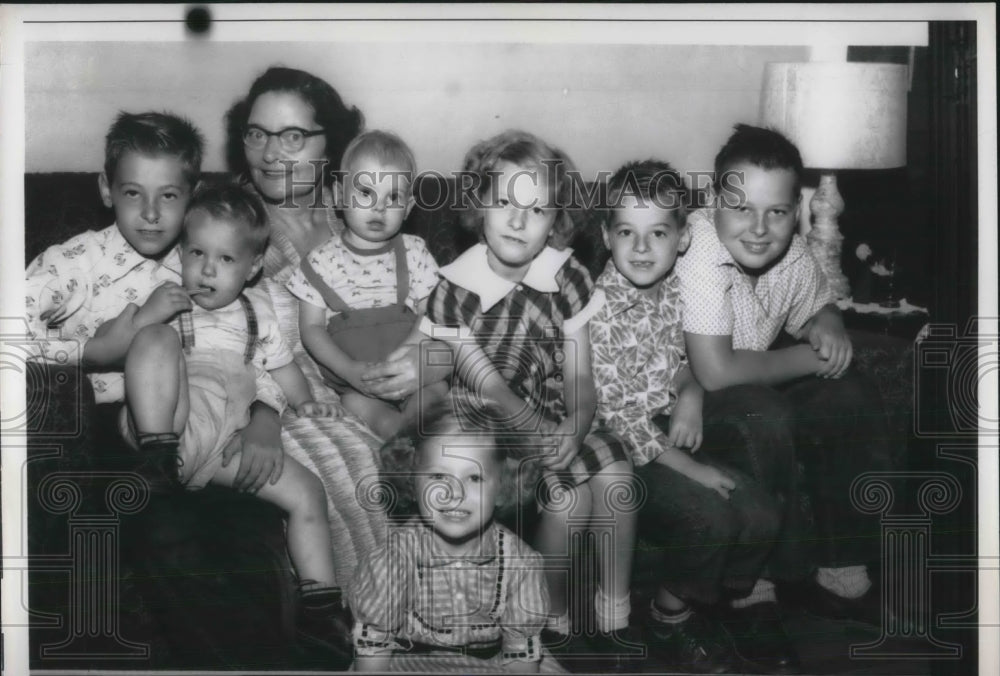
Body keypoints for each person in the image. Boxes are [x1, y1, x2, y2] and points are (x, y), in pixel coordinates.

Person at [418, 130, 638, 660]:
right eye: (505, 203)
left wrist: (576, 425)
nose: (518, 221)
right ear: (479, 205)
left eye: (537, 208)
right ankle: (551, 618)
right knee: (568, 496)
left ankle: (615, 614)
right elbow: (487, 387)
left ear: (555, 219)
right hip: (483, 425)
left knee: (617, 474)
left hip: (549, 410)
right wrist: (541, 433)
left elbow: (581, 376)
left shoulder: (568, 277)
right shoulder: (454, 288)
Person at [113, 183, 349, 656]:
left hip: (224, 442)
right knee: (155, 343)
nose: (206, 269)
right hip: (167, 420)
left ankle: (321, 605)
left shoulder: (259, 312)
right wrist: (147, 320)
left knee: (308, 492)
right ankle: (160, 464)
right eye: (197, 252)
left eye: (225, 260)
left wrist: (305, 404)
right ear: (180, 252)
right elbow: (111, 343)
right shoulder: (163, 295)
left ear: (252, 267)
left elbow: (282, 370)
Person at [676, 124, 895, 632]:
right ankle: (754, 593)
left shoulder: (791, 252)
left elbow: (816, 304)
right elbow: (716, 371)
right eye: (741, 209)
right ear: (712, 203)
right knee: (762, 410)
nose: (758, 228)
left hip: (744, 383)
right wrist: (808, 358)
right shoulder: (698, 247)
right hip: (680, 394)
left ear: (796, 210)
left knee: (850, 393)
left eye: (775, 211)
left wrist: (829, 324)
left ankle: (844, 573)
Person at [589, 160, 800, 674]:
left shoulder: (673, 291)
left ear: (682, 239)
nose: (641, 249)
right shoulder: (601, 310)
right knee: (709, 516)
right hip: (617, 449)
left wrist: (690, 395)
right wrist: (695, 470)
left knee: (760, 515)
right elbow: (620, 418)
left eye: (657, 232)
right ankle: (670, 619)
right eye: (626, 233)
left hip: (663, 430)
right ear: (606, 237)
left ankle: (703, 603)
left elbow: (681, 366)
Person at [348, 400, 564, 673]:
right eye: (439, 476)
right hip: (407, 663)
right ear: (411, 479)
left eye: (474, 478)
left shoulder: (520, 564)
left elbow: (521, 655)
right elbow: (373, 649)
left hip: (495, 664)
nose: (455, 494)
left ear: (503, 486)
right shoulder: (393, 561)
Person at [25, 111, 201, 405]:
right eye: (133, 193)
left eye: (168, 196)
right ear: (108, 190)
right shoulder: (75, 261)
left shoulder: (202, 264)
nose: (151, 213)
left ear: (192, 198)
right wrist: (93, 351)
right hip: (96, 422)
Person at [288, 130, 447, 439]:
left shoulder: (415, 251)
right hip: (355, 384)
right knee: (361, 410)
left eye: (393, 197)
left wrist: (410, 349)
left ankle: (421, 444)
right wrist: (349, 371)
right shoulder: (319, 262)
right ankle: (399, 445)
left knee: (433, 401)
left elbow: (434, 313)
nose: (379, 207)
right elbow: (311, 329)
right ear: (338, 195)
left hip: (416, 374)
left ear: (409, 208)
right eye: (365, 193)